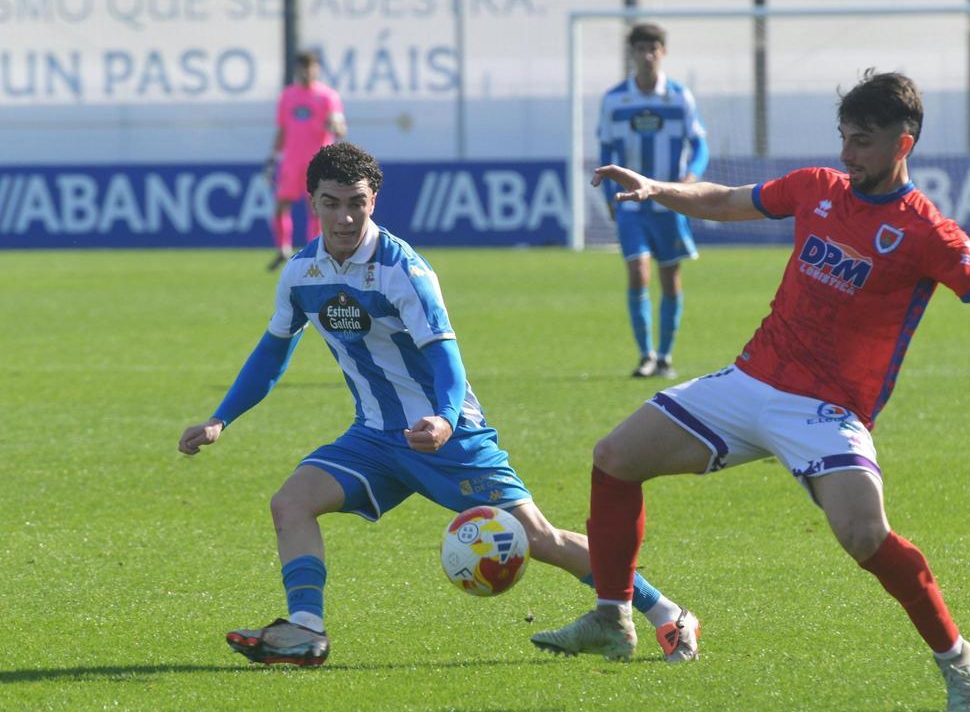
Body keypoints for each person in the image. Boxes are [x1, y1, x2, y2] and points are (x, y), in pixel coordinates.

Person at [531, 70, 970, 712]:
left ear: (903, 144)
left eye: (863, 142)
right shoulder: (818, 188)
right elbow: (724, 200)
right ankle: (612, 615)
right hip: (750, 380)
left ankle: (958, 656)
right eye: (844, 138)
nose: (848, 155)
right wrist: (657, 189)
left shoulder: (929, 232)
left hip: (827, 413)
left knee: (863, 535)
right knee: (614, 458)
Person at [179, 143, 694, 667]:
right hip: (376, 438)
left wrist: (445, 421)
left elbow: (448, 362)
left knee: (538, 538)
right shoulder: (301, 273)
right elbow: (272, 353)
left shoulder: (404, 270)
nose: (345, 216)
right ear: (311, 202)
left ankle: (669, 615)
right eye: (331, 202)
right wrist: (221, 417)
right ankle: (306, 630)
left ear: (373, 200)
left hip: (452, 437)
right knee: (291, 502)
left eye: (356, 201)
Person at [598, 23, 709, 379]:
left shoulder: (678, 97)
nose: (647, 55)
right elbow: (605, 149)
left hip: (669, 204)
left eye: (653, 48)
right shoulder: (615, 100)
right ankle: (645, 355)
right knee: (637, 273)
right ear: (631, 54)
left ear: (663, 52)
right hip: (632, 205)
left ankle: (665, 356)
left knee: (670, 279)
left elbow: (700, 144)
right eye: (640, 48)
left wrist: (691, 177)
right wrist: (609, 197)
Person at [265, 50, 347, 270]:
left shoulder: (328, 97)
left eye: (311, 67)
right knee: (281, 205)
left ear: (317, 69)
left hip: (318, 163)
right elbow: (282, 130)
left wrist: (335, 125)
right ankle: (283, 248)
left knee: (316, 208)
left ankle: (316, 251)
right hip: (292, 161)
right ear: (297, 70)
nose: (307, 71)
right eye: (303, 67)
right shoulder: (288, 96)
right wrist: (273, 159)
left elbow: (340, 129)